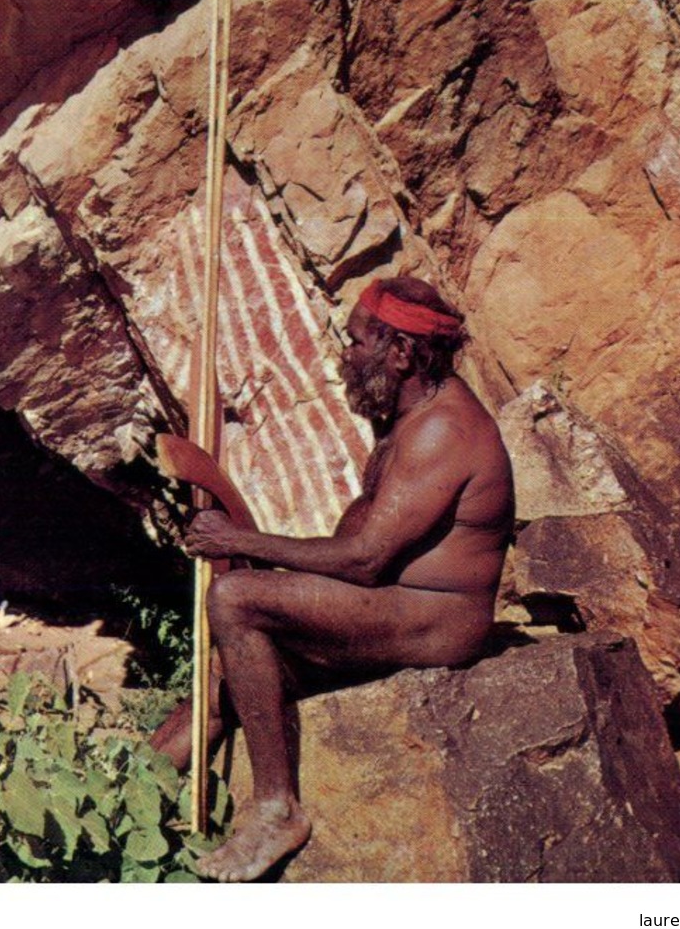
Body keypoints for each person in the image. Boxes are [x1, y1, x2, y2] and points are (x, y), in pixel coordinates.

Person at [152, 275, 514, 882]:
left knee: (236, 599)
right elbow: (359, 553)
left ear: (400, 353)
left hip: (434, 619)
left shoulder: (440, 430)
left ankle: (276, 810)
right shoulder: (408, 416)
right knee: (226, 682)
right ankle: (124, 793)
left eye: (355, 343)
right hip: (394, 604)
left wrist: (236, 542)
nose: (343, 357)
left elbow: (365, 561)